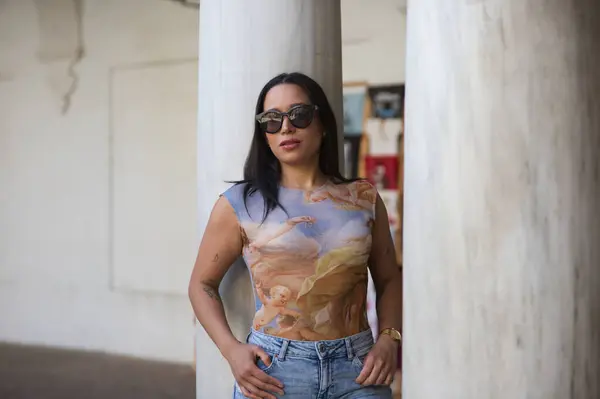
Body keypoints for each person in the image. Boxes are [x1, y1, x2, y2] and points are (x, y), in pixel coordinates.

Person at [189, 72, 403, 399]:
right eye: (271, 120)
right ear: (264, 134)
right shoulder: (240, 204)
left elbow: (389, 280)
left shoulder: (363, 198)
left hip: (358, 370)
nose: (285, 127)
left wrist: (389, 338)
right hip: (275, 371)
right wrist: (231, 350)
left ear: (323, 123)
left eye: (298, 115)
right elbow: (201, 286)